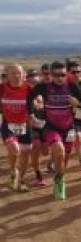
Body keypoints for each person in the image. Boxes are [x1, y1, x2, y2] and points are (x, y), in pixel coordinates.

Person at [27, 61, 81, 199]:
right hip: (51, 127)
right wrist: (31, 114)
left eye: (62, 74)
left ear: (66, 73)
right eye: (56, 75)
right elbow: (30, 97)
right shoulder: (44, 86)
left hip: (68, 128)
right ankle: (60, 182)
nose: (60, 78)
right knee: (59, 150)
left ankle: (59, 178)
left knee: (63, 159)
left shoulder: (72, 85)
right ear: (51, 74)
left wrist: (78, 103)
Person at [1, 64, 33, 192]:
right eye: (13, 73)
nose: (16, 75)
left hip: (25, 125)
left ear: (23, 75)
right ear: (7, 76)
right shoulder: (2, 88)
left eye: (18, 73)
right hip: (8, 125)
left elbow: (39, 100)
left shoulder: (29, 88)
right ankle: (13, 170)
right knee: (15, 149)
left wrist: (38, 103)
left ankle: (20, 180)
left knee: (25, 154)